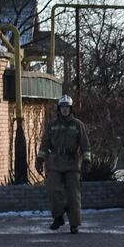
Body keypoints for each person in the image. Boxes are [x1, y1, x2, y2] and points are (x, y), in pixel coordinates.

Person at [36, 95, 88, 233]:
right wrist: (40, 159)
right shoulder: (52, 125)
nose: (65, 110)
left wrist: (87, 159)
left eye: (67, 107)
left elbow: (85, 145)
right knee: (53, 189)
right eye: (62, 107)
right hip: (55, 162)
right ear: (59, 109)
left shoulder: (78, 125)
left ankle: (74, 224)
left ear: (71, 109)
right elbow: (45, 143)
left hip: (72, 163)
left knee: (73, 194)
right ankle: (58, 216)